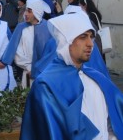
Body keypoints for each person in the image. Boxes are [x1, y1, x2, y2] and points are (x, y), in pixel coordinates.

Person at [20, 12, 123, 140]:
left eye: (91, 37)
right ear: (65, 41)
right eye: (83, 37)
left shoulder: (97, 78)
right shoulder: (46, 85)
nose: (90, 43)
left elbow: (111, 123)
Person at [1, 0, 52, 88]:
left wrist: (39, 69)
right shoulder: (21, 27)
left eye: (29, 11)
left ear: (37, 12)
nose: (25, 14)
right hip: (27, 72)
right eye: (25, 11)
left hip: (45, 73)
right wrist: (29, 67)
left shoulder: (48, 27)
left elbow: (51, 52)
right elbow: (16, 51)